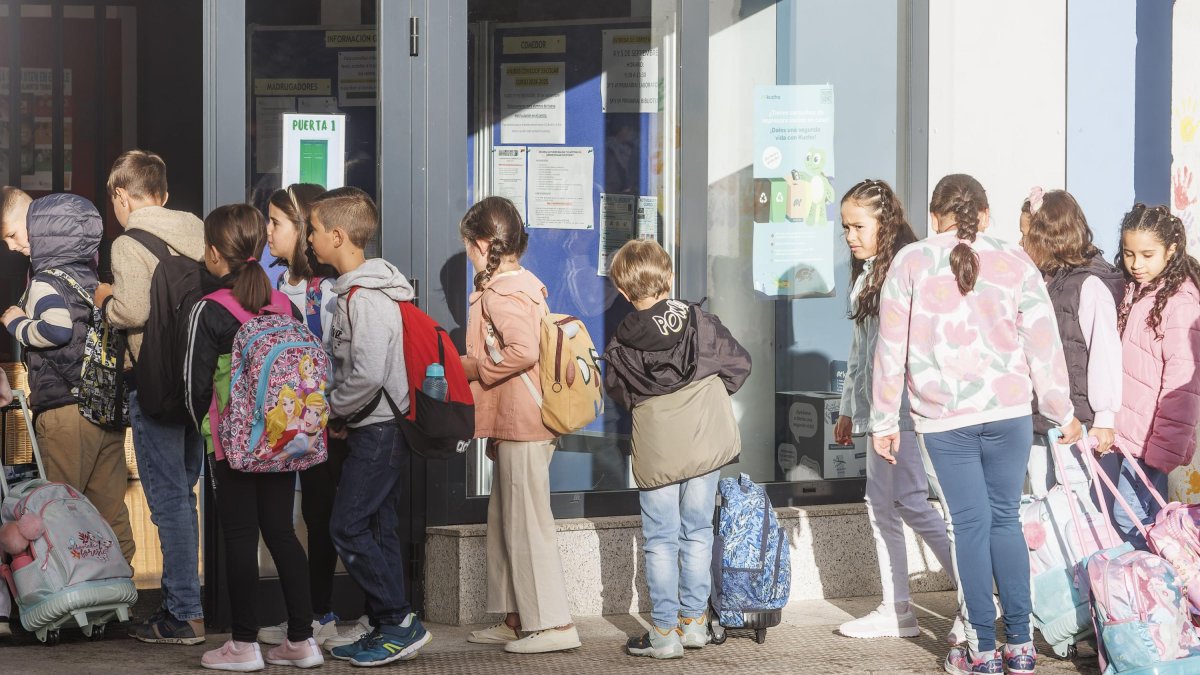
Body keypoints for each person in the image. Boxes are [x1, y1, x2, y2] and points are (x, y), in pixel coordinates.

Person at [870, 174, 1081, 675]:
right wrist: (1062, 411)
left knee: (969, 526)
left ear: (934, 215)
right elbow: (1042, 344)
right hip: (1008, 413)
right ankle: (1022, 646)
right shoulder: (1014, 260)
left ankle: (983, 650)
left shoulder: (911, 261)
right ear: (984, 215)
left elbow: (889, 349)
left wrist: (883, 420)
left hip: (943, 420)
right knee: (1005, 521)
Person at [183, 204, 322, 671]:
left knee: (240, 537)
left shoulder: (211, 309)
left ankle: (243, 645)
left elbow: (195, 387)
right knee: (281, 531)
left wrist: (200, 427)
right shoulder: (284, 303)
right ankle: (302, 640)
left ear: (214, 253)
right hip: (285, 438)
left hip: (235, 444)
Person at [602, 239, 750, 659]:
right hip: (704, 439)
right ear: (669, 277)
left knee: (660, 539)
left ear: (625, 293)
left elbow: (618, 391)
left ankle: (663, 633)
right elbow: (739, 364)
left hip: (658, 448)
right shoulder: (700, 321)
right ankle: (695, 623)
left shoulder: (622, 340)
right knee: (698, 531)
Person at [307, 186, 432, 667]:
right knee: (377, 528)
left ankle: (400, 620)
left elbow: (368, 372)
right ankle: (388, 623)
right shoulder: (351, 293)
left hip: (380, 432)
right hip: (368, 427)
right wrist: (345, 416)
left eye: (314, 232)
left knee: (347, 525)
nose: (310, 241)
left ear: (338, 235)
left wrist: (332, 410)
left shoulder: (367, 297)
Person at [92, 150, 209, 644]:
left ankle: (183, 613)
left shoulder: (127, 242)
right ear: (163, 192)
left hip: (156, 383)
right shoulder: (197, 230)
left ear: (122, 195)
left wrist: (103, 300)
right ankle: (192, 602)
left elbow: (134, 309)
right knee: (185, 493)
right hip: (197, 383)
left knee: (166, 499)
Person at [831, 179, 954, 640]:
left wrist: (881, 414)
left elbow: (903, 351)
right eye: (845, 227)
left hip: (900, 409)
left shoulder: (904, 271)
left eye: (858, 226)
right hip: (881, 411)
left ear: (886, 223)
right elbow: (861, 349)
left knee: (904, 504)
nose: (850, 235)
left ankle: (966, 597)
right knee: (895, 504)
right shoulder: (869, 273)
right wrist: (849, 408)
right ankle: (903, 607)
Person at [459, 196, 580, 654]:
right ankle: (517, 618)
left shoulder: (502, 291)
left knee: (527, 524)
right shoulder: (525, 283)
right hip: (518, 421)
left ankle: (554, 624)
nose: (470, 255)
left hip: (524, 422)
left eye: (470, 246)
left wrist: (476, 369)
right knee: (507, 521)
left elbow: (523, 351)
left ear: (485, 244)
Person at [254, 184, 369, 651]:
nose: (267, 231)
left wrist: (334, 410)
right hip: (287, 421)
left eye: (276, 222)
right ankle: (305, 615)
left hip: (327, 423)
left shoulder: (328, 289)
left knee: (321, 518)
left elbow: (342, 357)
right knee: (296, 517)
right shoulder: (275, 282)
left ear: (304, 231)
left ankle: (323, 612)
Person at [1, 186, 135, 564]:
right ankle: (120, 587)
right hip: (104, 405)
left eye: (13, 234)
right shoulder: (92, 278)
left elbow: (57, 331)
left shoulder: (44, 281)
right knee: (110, 509)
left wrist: (16, 323)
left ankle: (68, 595)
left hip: (63, 411)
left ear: (38, 225)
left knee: (57, 507)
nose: (12, 247)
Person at [1017, 187, 1124, 496]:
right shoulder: (1043, 283)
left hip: (1079, 424)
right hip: (1043, 422)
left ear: (1049, 239)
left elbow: (1105, 353)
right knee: (1044, 504)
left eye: (1026, 237)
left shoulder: (1088, 286)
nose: (1020, 244)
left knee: (1077, 506)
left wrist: (1105, 416)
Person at [1108, 204, 1200, 548]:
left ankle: (1154, 590)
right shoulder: (1140, 291)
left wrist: (1163, 448)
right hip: (1132, 436)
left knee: (1129, 517)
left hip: (1152, 440)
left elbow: (1184, 385)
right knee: (1149, 520)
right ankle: (1157, 594)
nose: (1136, 264)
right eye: (1130, 254)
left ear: (1171, 250)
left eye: (1147, 255)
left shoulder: (1181, 302)